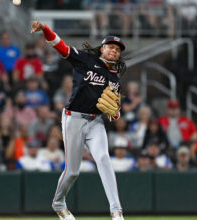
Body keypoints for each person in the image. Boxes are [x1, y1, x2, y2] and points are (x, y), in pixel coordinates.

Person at [31, 21, 126, 219]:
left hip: (95, 122)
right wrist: (46, 29)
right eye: (111, 47)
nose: (114, 51)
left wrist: (115, 113)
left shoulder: (115, 78)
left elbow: (114, 112)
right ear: (102, 47)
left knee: (103, 159)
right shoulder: (85, 60)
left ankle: (116, 211)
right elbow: (61, 46)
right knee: (73, 171)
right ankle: (58, 203)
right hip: (73, 119)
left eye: (118, 49)